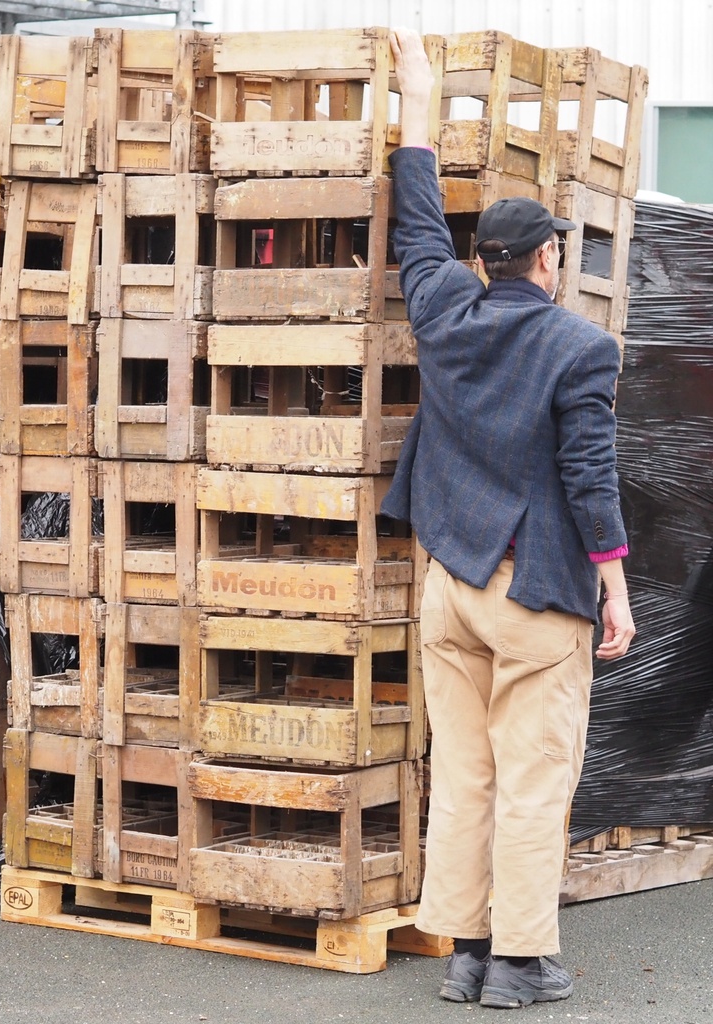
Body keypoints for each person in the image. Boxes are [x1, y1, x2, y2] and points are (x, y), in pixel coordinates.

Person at [384, 28, 636, 1010]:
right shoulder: (583, 347)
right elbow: (588, 475)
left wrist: (413, 99)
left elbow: (413, 226)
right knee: (534, 774)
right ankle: (522, 964)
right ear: (544, 258)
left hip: (448, 582)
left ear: (484, 258)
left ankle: (466, 953)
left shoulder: (446, 310)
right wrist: (613, 588)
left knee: (465, 769)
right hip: (533, 590)